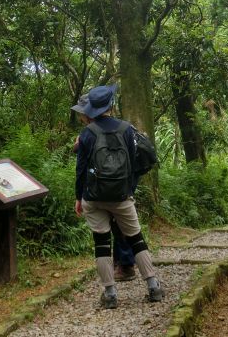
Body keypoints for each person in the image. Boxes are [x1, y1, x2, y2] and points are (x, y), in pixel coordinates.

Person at [74, 84, 163, 309]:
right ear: (111, 106)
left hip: (93, 197)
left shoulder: (87, 133)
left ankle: (110, 293)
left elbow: (81, 169)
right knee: (136, 238)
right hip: (122, 196)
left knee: (101, 243)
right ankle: (153, 287)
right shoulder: (127, 129)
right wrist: (128, 191)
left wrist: (78, 197)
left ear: (93, 109)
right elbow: (134, 165)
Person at [71, 95, 136, 282]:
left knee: (115, 225)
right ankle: (123, 264)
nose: (81, 116)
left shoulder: (91, 132)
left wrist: (79, 195)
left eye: (83, 113)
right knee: (120, 223)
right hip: (121, 181)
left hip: (108, 184)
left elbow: (83, 167)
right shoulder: (114, 127)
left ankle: (124, 266)